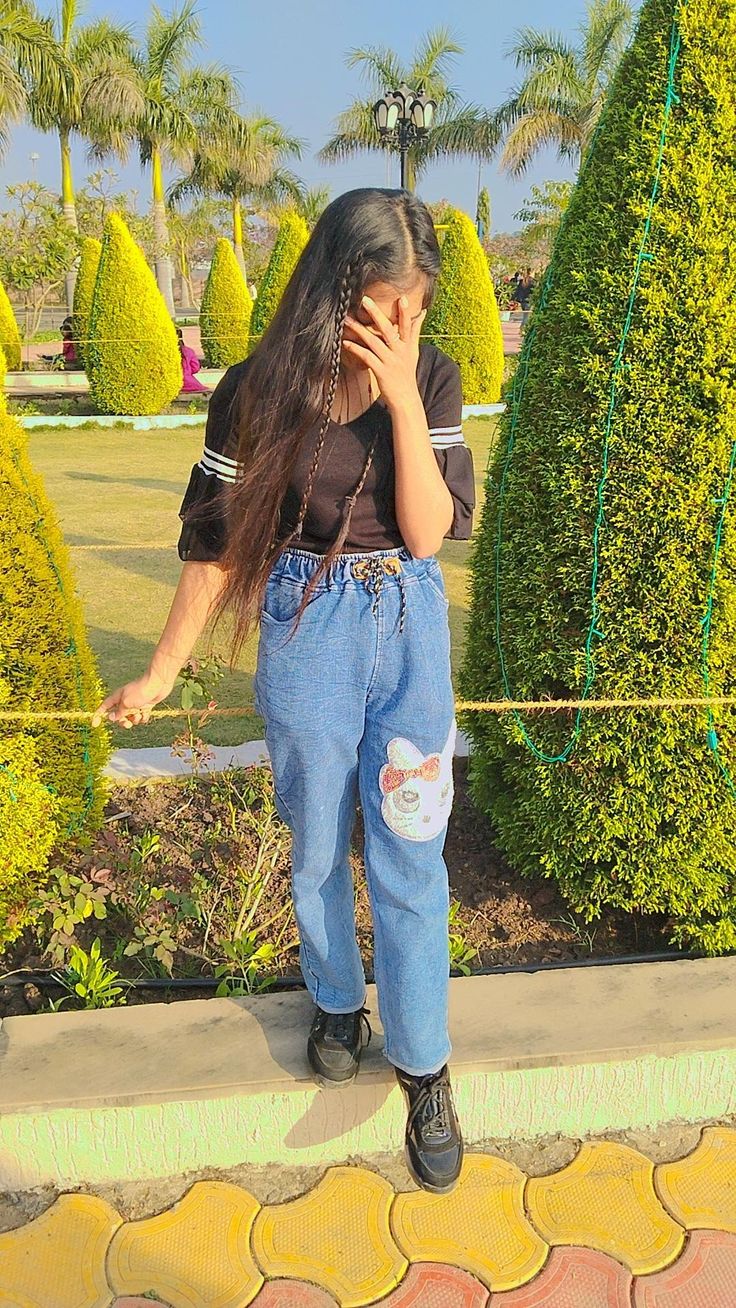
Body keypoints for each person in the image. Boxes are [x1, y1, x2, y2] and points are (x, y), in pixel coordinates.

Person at [91, 188, 476, 1195]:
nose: (404, 330)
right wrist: (162, 671)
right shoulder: (257, 391)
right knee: (312, 841)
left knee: (409, 847)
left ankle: (425, 1067)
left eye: (416, 311)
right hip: (307, 625)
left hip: (407, 626)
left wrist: (397, 394)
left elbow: (433, 533)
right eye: (387, 309)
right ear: (336, 296)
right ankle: (337, 1003)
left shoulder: (432, 381)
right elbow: (214, 543)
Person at [177, 326, 209, 394]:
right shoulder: (189, 351)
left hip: (173, 383)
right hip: (190, 383)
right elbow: (195, 368)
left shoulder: (166, 353)